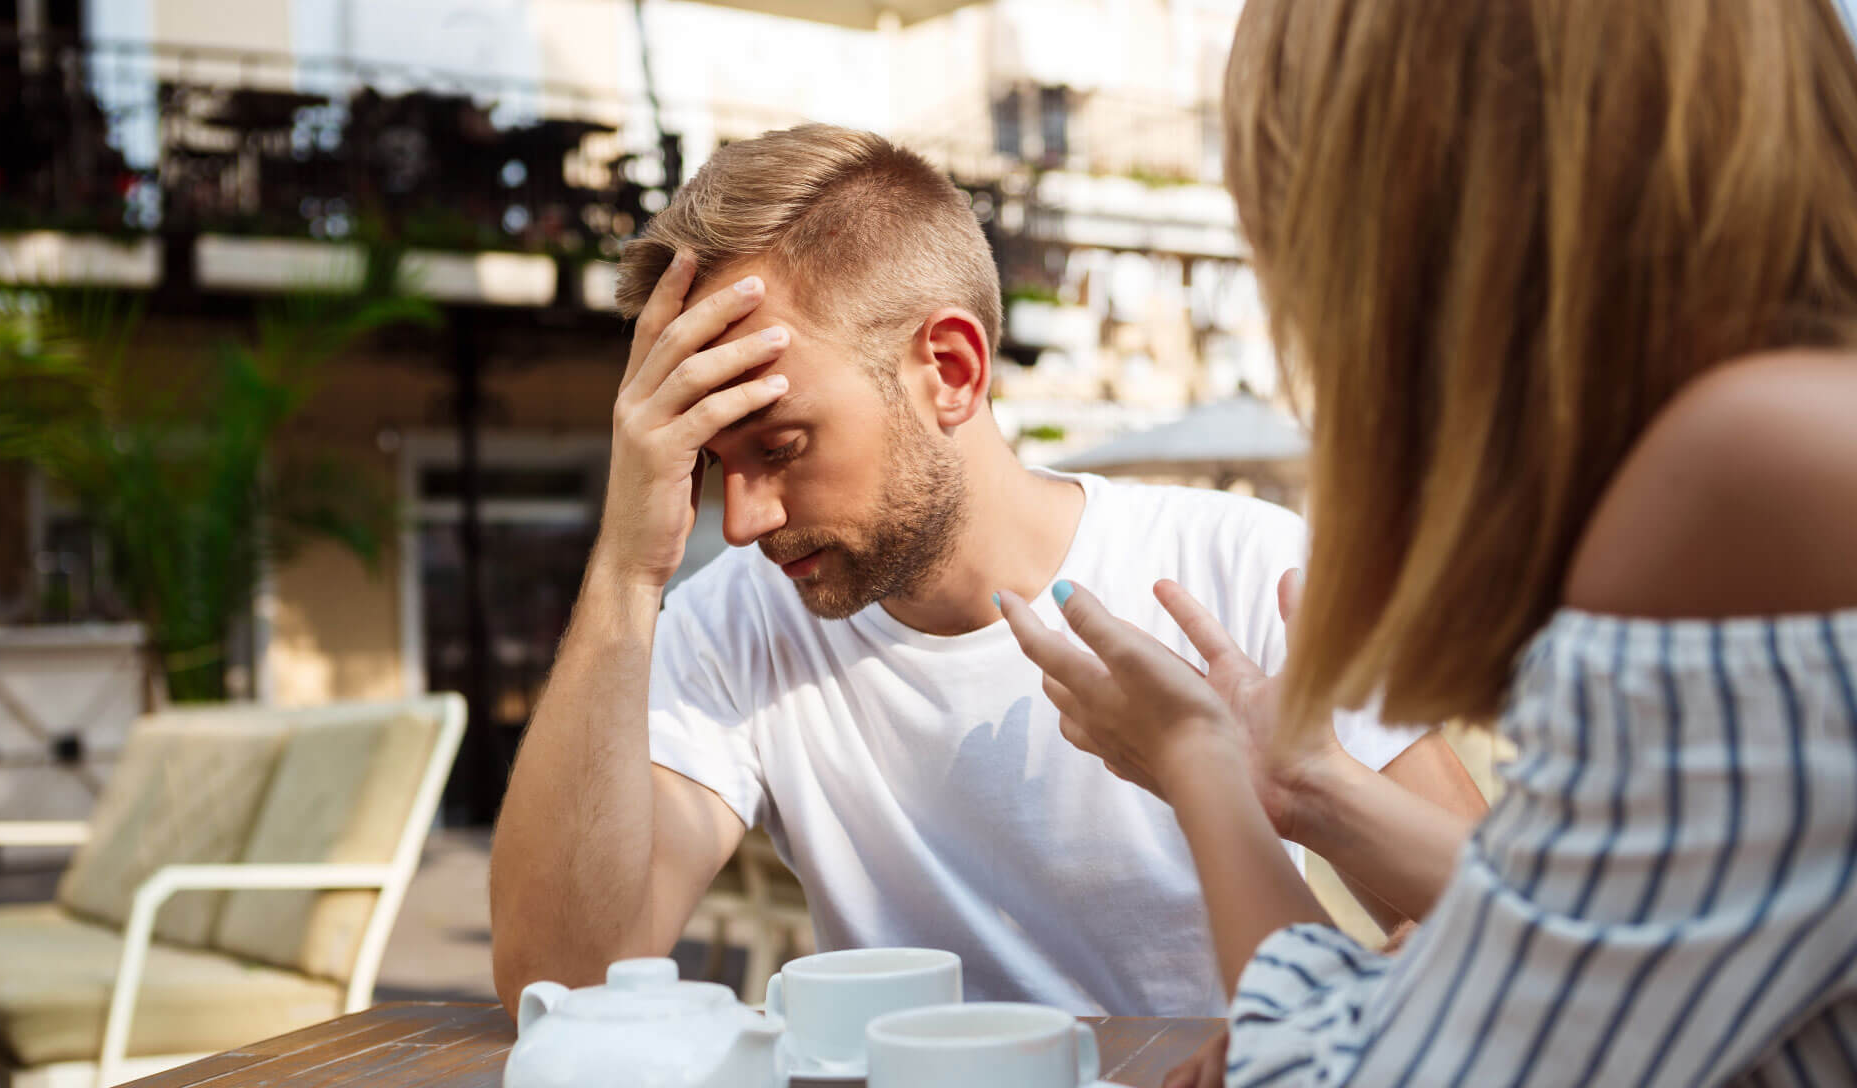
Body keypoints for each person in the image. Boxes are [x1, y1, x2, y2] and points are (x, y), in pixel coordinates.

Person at [1000, 0, 1857, 1083]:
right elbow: (1590, 932)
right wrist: (1308, 789)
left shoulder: (1744, 479)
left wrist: (1198, 760)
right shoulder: (1805, 426)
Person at [488, 123, 1486, 1018]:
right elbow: (563, 984)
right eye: (713, 464)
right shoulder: (733, 624)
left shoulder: (1235, 568)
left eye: (782, 445)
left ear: (952, 370)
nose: (743, 520)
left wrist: (1336, 1016)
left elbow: (1503, 931)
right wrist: (626, 566)